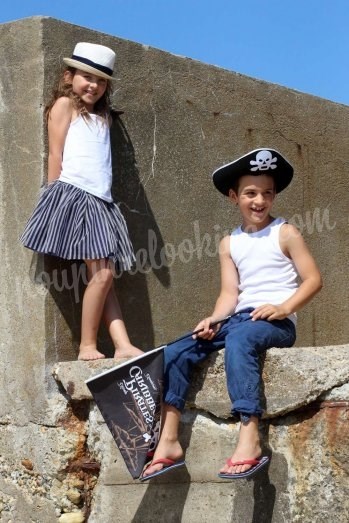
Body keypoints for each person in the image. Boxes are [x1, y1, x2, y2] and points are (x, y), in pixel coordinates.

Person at [141, 148, 322, 481]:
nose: (259, 200)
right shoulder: (229, 243)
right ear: (233, 196)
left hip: (275, 322)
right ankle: (168, 440)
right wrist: (213, 320)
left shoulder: (286, 233)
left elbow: (313, 280)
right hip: (237, 320)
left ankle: (249, 435)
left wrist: (284, 307)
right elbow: (229, 294)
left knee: (240, 339)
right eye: (250, 193)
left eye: (267, 193)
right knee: (177, 349)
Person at [21, 42, 143, 361]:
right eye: (87, 77)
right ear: (69, 76)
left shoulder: (103, 117)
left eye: (101, 81)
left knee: (105, 276)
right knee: (103, 274)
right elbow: (56, 153)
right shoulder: (65, 106)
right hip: (76, 196)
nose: (94, 85)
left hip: (102, 202)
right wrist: (52, 199)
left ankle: (121, 343)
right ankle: (87, 346)